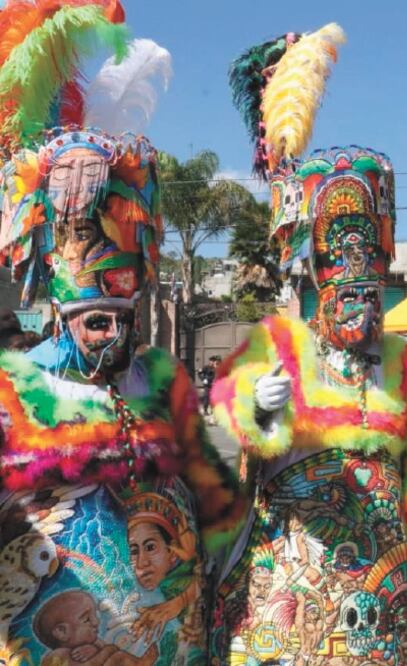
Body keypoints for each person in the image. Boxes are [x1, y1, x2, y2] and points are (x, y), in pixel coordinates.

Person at [210, 25, 407, 665]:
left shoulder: (400, 364)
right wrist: (262, 409)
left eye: (369, 297)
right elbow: (234, 411)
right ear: (321, 289)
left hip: (384, 570)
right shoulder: (280, 342)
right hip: (297, 568)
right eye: (348, 297)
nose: (361, 307)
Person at [0, 17, 241, 666]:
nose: (113, 338)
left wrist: (260, 433)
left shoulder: (161, 382)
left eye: (121, 320)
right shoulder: (15, 390)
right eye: (96, 323)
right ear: (58, 311)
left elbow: (221, 503)